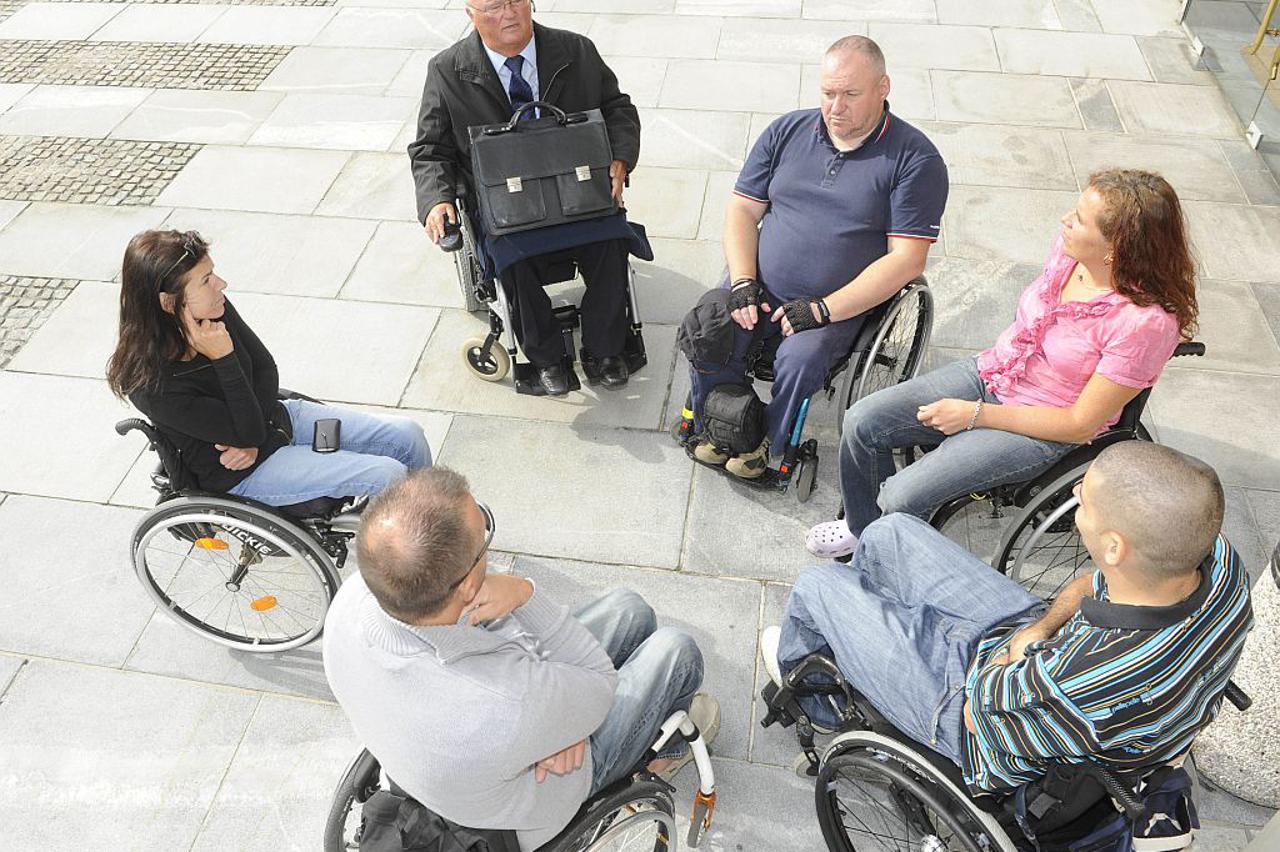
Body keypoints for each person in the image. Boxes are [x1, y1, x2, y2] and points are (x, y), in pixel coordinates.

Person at [762, 442, 1253, 794]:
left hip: (976, 720)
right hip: (1035, 657)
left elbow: (979, 712)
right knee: (890, 533)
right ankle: (869, 648)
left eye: (1086, 496)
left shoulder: (1082, 678)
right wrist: (1036, 631)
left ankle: (817, 703)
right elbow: (1092, 586)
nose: (1077, 491)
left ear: (1113, 547)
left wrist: (1009, 654)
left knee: (819, 586)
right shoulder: (1218, 563)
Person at [323, 466, 719, 850]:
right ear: (467, 586)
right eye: (484, 541)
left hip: (432, 761)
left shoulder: (353, 599)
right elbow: (598, 685)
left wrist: (550, 722)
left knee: (630, 610)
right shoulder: (507, 705)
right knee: (676, 651)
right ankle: (665, 753)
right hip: (527, 813)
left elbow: (501, 664)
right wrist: (525, 594)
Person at [808, 168, 1196, 557]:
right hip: (995, 372)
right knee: (862, 421)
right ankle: (863, 530)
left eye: (1079, 220)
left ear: (1117, 246)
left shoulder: (1145, 323)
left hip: (1044, 424)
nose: (1065, 221)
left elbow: (1080, 425)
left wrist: (974, 415)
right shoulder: (1070, 253)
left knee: (901, 495)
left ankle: (891, 557)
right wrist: (977, 404)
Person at [685, 35, 948, 478]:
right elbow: (743, 210)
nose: (836, 107)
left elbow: (906, 261)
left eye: (851, 94)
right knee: (707, 327)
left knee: (800, 360)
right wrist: (745, 280)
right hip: (760, 286)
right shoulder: (787, 131)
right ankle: (722, 423)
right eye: (828, 93)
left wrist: (823, 309)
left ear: (883, 87)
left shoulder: (915, 160)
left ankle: (769, 436)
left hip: (837, 303)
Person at [409, 0, 641, 396]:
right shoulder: (448, 71)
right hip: (506, 205)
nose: (509, 13)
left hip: (577, 187)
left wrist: (620, 157)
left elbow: (618, 108)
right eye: (494, 6)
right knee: (511, 259)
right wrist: (437, 199)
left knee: (610, 239)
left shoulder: (576, 50)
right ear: (471, 13)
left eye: (517, 0)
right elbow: (431, 149)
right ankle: (546, 356)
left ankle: (605, 349)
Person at [106, 229, 430, 505]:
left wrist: (253, 434)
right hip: (247, 471)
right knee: (386, 475)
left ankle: (444, 522)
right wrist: (224, 358)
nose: (221, 284)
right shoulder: (149, 384)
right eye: (206, 280)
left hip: (280, 422)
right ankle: (424, 562)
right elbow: (247, 427)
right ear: (168, 302)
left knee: (408, 436)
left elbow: (264, 369)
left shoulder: (211, 306)